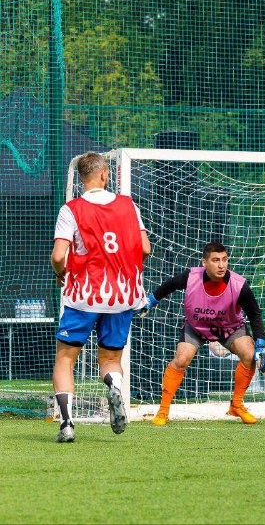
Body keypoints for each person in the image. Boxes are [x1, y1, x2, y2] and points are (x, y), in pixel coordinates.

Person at [51, 152, 152, 443]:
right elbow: (145, 248)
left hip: (84, 295)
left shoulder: (71, 209)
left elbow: (59, 255)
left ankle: (67, 424)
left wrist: (61, 271)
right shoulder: (128, 205)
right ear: (105, 174)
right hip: (122, 295)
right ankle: (114, 387)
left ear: (82, 177)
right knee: (109, 358)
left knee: (66, 358)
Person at [138, 242, 265, 425]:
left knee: (249, 354)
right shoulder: (191, 277)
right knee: (181, 359)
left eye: (224, 260)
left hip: (229, 327)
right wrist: (151, 300)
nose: (221, 265)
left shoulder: (239, 285)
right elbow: (171, 285)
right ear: (204, 263)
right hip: (196, 327)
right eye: (215, 260)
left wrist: (260, 344)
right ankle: (163, 411)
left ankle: (236, 405)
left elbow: (254, 313)